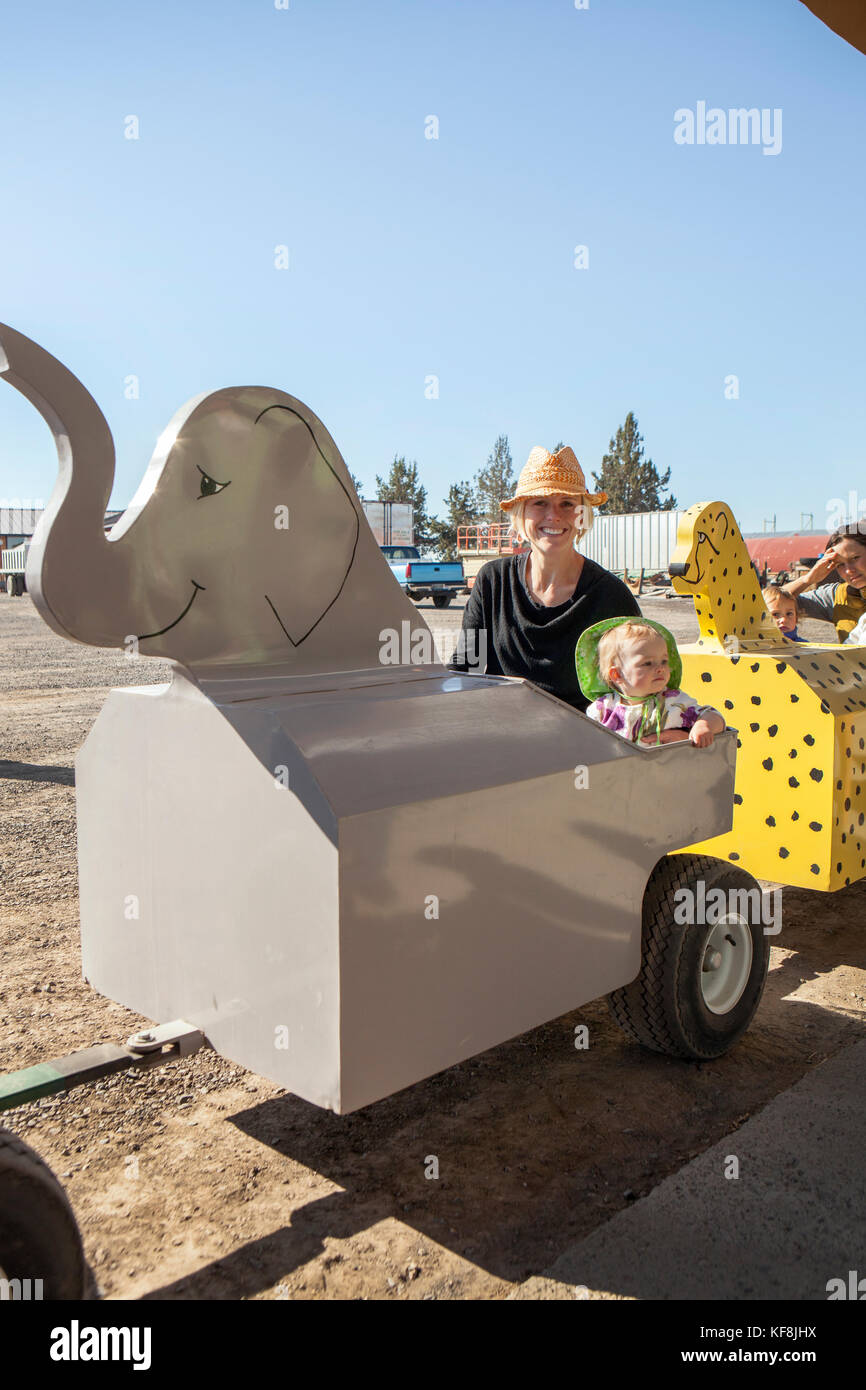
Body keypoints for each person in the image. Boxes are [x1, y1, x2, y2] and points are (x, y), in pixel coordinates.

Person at [449, 445, 639, 710]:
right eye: (540, 503)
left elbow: (641, 684)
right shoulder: (492, 581)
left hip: (585, 745)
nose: (554, 515)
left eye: (567, 504)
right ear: (521, 513)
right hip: (500, 740)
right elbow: (464, 669)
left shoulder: (610, 596)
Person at [576, 617, 725, 747]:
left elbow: (713, 715)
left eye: (664, 661)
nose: (660, 668)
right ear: (616, 674)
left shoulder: (673, 700)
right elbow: (588, 744)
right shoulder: (603, 709)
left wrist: (703, 726)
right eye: (647, 663)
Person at [782, 523, 866, 642]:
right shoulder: (836, 596)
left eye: (854, 558)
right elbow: (771, 602)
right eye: (840, 564)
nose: (849, 570)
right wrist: (807, 580)